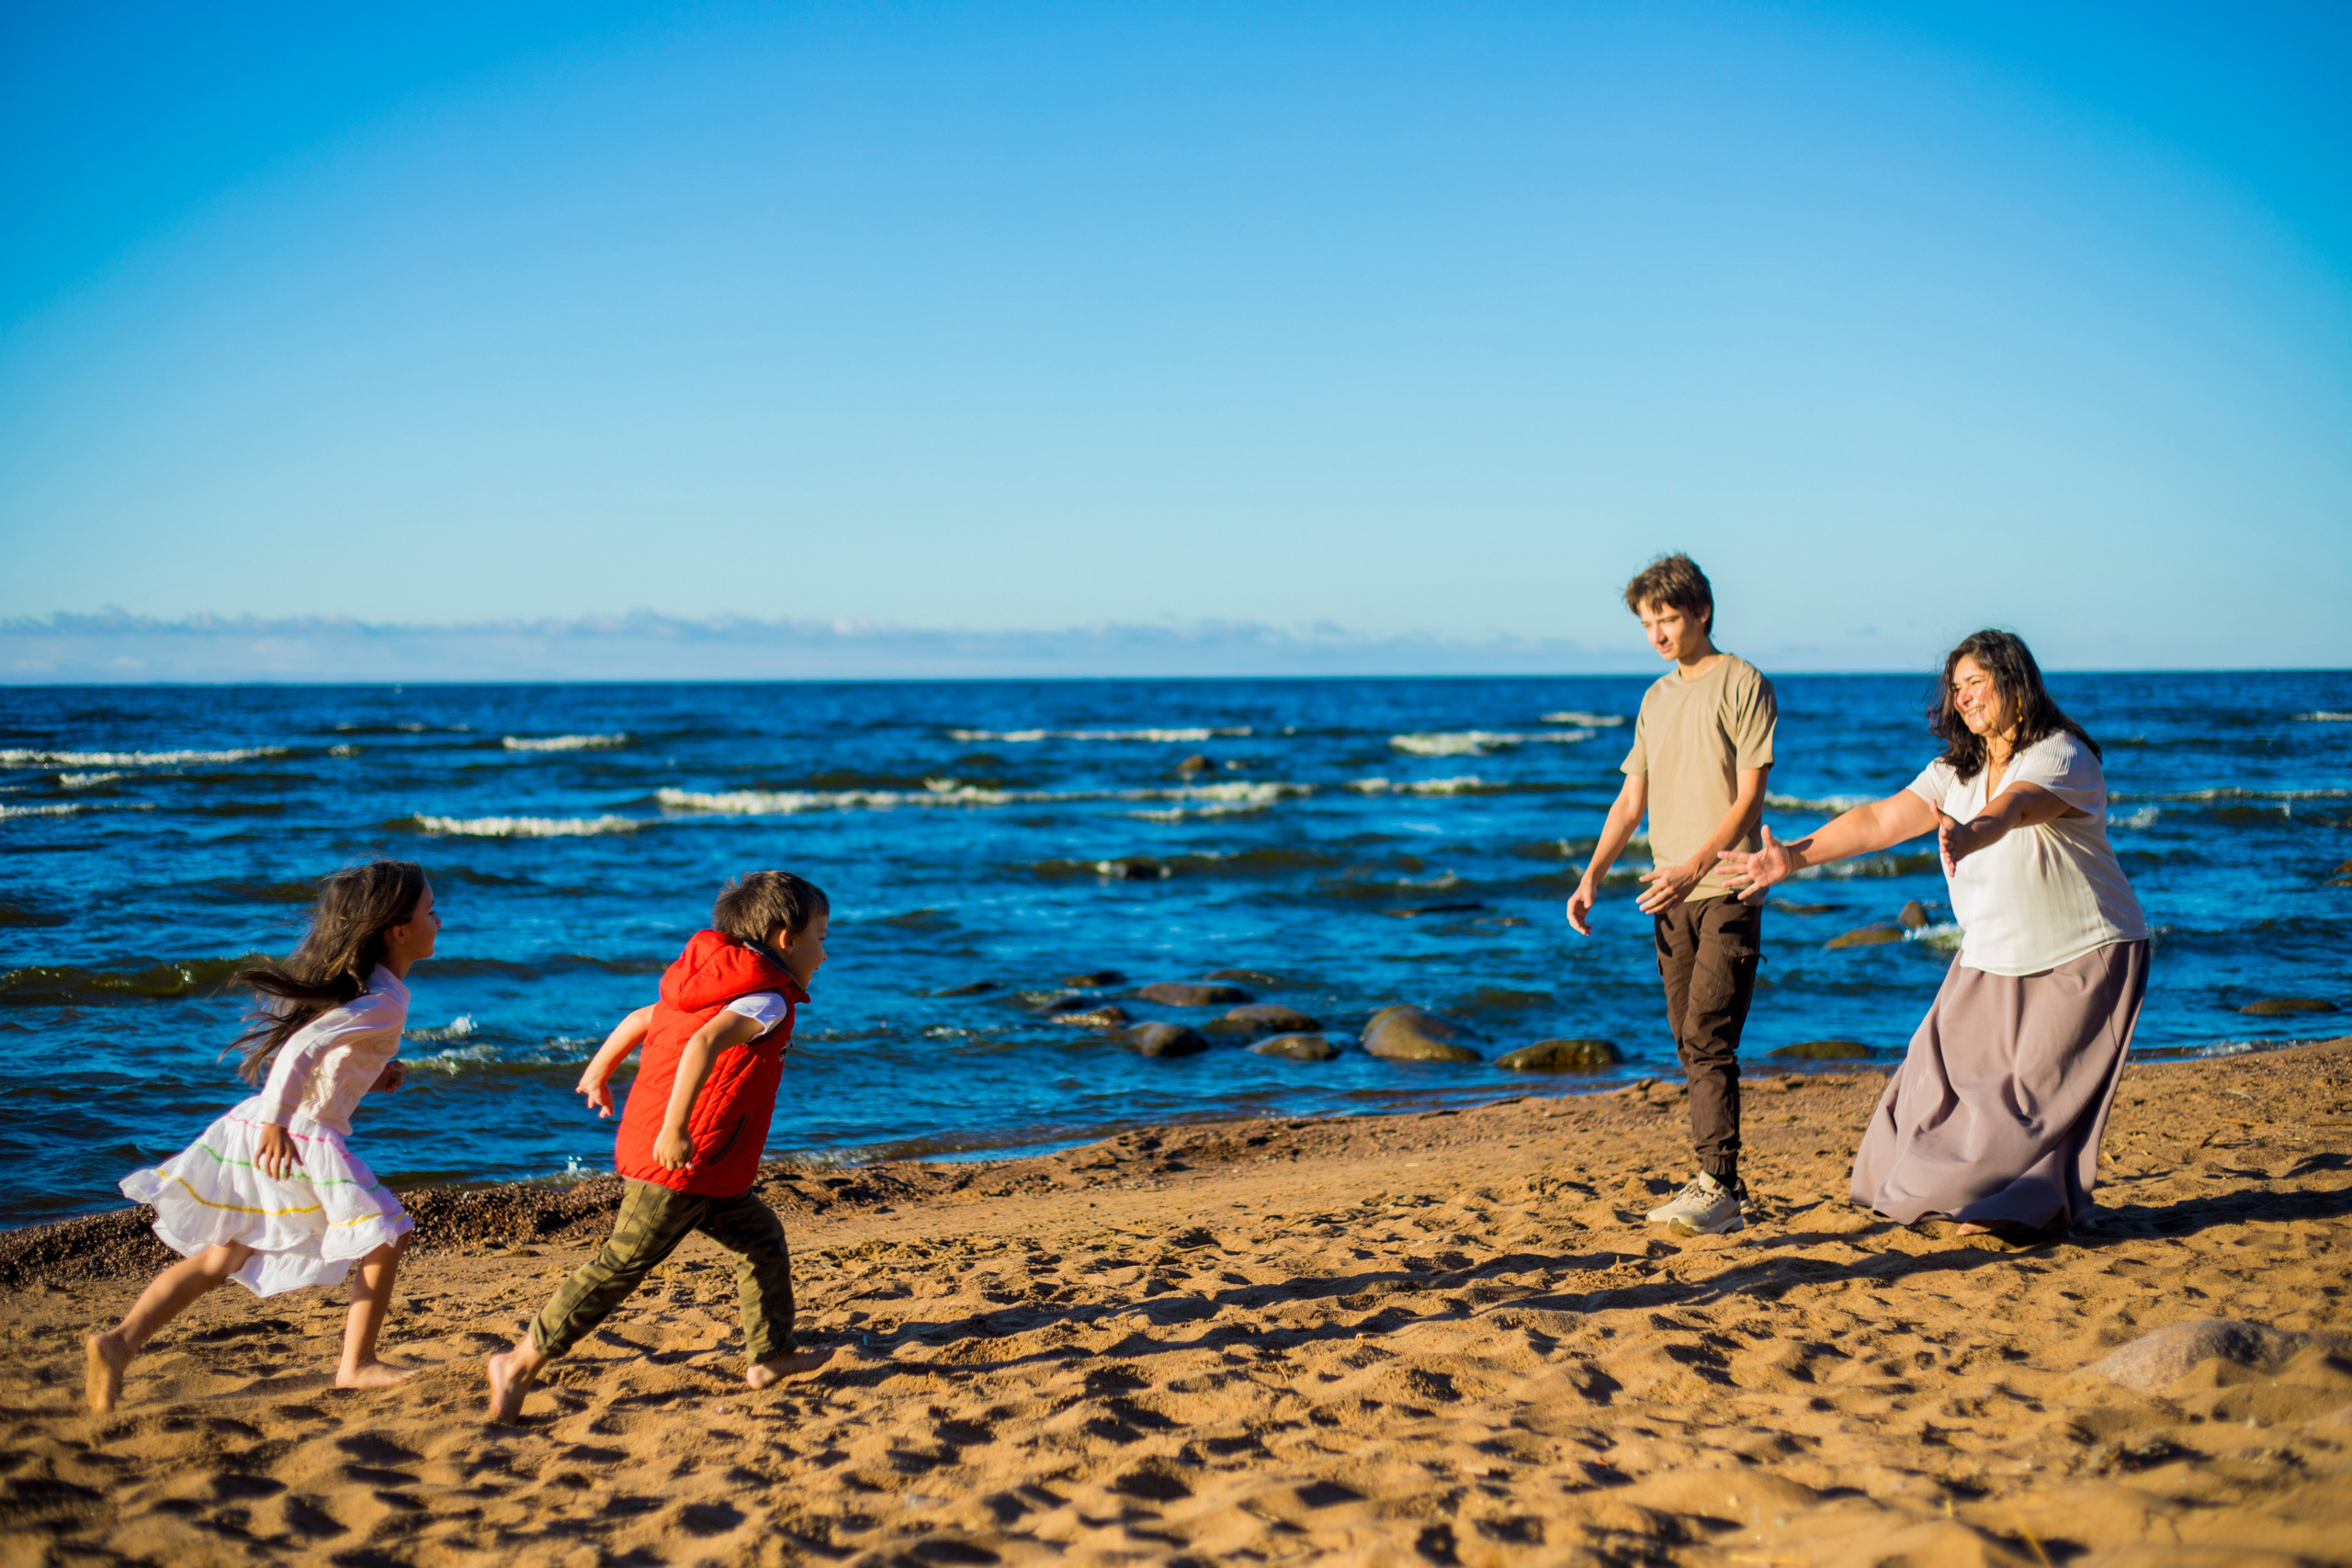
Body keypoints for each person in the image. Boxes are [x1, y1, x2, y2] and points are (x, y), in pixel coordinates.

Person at [1719, 629, 2149, 1238]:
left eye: (1975, 681)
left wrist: (1973, 832)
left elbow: (2020, 805)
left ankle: (2017, 1208)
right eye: (1956, 687)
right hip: (1990, 957)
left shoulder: (2060, 753)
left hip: (2081, 953)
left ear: (2015, 681)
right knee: (1921, 1097)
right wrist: (1792, 856)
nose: (1964, 696)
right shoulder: (1956, 770)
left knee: (2022, 1109)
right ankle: (1992, 1201)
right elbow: (1880, 819)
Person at [87, 861, 437, 1413]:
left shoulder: (372, 988)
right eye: (429, 911)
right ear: (397, 931)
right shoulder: (386, 998)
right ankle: (357, 1364)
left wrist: (373, 1076)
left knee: (223, 1255)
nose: (438, 921)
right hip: (295, 1132)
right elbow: (302, 1050)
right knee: (386, 1234)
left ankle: (118, 1342)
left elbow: (326, 1062)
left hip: (270, 1123)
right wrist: (278, 1123)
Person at [486, 871, 836, 1420]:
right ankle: (519, 1362)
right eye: (821, 936)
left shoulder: (710, 981)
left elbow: (643, 1019)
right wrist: (675, 1129)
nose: (824, 952)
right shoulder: (765, 999)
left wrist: (599, 1069)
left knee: (762, 1239)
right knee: (622, 1264)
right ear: (784, 938)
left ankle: (769, 1356)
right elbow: (702, 1044)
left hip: (707, 1163)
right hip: (683, 1159)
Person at [1567, 553, 1777, 1235]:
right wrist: (1592, 874)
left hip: (1727, 884)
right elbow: (1632, 799)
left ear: (1702, 612)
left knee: (1707, 1034)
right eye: (1646, 622)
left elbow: (1750, 797)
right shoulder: (1656, 699)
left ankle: (1719, 1184)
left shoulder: (1743, 683)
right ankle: (1713, 1180)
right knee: (1689, 1043)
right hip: (1670, 895)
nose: (1657, 632)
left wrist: (1695, 865)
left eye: (1667, 618)